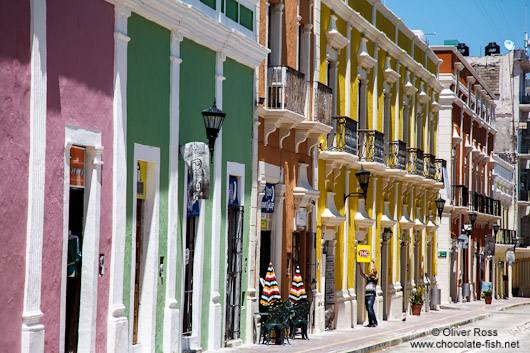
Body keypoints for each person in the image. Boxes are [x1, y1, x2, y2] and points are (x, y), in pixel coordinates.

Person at [358, 259, 378, 327]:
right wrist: (359, 265)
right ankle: (370, 322)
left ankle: (375, 321)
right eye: (370, 271)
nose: (370, 271)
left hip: (372, 295)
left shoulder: (375, 278)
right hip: (367, 295)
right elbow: (361, 273)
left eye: (371, 271)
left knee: (370, 307)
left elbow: (375, 271)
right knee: (367, 308)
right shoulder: (368, 278)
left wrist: (373, 262)